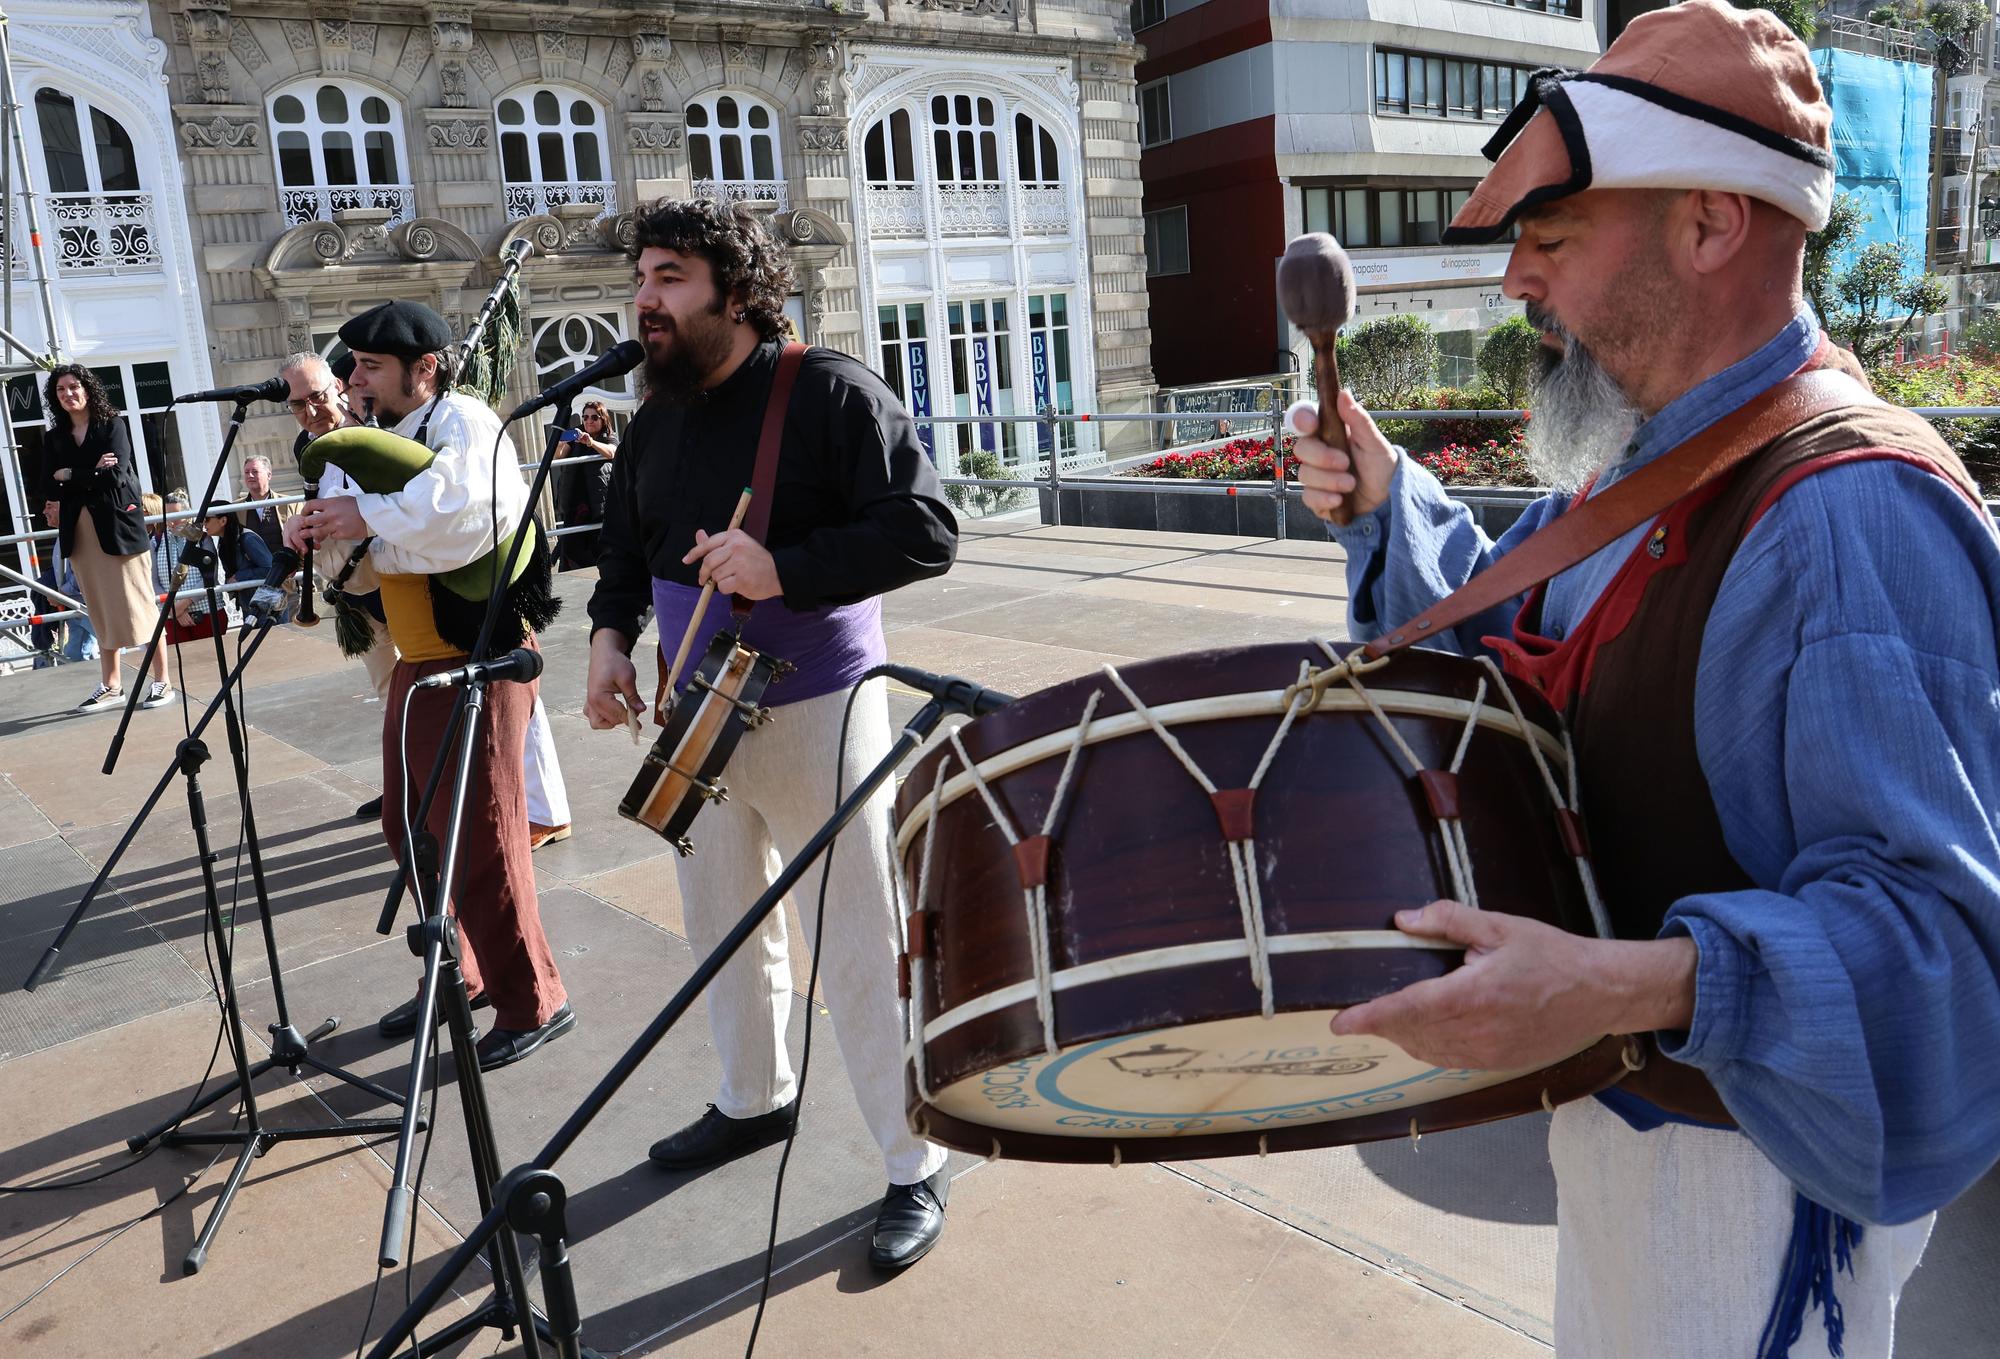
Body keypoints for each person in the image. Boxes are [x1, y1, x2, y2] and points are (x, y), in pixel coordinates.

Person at [1290, 6, 2000, 1357]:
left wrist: (1625, 987)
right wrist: (1393, 506)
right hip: (1628, 1124)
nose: (1514, 279)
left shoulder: (1848, 523)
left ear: (1712, 224)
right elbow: (1515, 664)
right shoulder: (1644, 460)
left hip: (1766, 1185)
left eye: (1550, 237)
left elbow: (1945, 962)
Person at [583, 199, 959, 1270]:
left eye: (669, 279)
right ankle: (752, 1098)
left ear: (734, 295)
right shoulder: (652, 416)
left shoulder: (829, 389)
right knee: (719, 924)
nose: (645, 299)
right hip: (692, 711)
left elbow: (924, 528)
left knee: (854, 937)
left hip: (814, 705)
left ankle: (912, 1157)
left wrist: (783, 566)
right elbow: (622, 552)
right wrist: (610, 641)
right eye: (643, 278)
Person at [286, 301, 574, 1071]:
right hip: (417, 658)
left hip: (478, 653)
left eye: (371, 367)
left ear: (425, 369)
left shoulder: (466, 423)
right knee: (410, 827)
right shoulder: (369, 440)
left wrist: (361, 515)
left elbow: (467, 515)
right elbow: (358, 563)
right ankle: (463, 969)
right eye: (354, 367)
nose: (356, 381)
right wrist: (314, 530)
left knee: (482, 834)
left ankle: (534, 999)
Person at [283, 350, 393, 820]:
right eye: (296, 404)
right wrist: (297, 524)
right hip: (351, 592)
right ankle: (406, 786)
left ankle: (438, 787)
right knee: (389, 691)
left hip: (395, 582)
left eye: (316, 398)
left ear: (339, 387)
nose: (309, 413)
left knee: (423, 689)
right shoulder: (306, 448)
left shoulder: (375, 433)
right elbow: (319, 502)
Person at [38, 364, 172, 712]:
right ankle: (111, 685)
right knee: (97, 608)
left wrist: (72, 474)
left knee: (138, 604)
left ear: (87, 389)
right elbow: (50, 485)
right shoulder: (54, 438)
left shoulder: (112, 425)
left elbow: (114, 476)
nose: (68, 394)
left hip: (117, 530)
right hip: (80, 533)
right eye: (60, 390)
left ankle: (162, 681)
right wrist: (89, 472)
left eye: (73, 387)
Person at [146, 490, 217, 648]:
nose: (172, 522)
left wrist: (182, 605)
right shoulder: (156, 542)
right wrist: (173, 609)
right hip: (171, 616)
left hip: (205, 613)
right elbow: (154, 581)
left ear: (189, 515)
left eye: (177, 516)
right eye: (168, 516)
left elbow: (210, 576)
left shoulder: (203, 539)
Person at [31, 499, 97, 669]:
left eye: (49, 506)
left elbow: (84, 569)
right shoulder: (65, 534)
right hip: (76, 606)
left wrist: (62, 595)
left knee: (111, 646)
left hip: (88, 604)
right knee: (75, 654)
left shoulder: (77, 532)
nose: (44, 512)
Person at [554, 399, 618, 572]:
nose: (589, 421)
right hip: (575, 503)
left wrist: (591, 443)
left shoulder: (609, 437)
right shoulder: (576, 436)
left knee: (601, 549)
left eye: (594, 417)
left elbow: (612, 452)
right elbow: (558, 457)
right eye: (585, 417)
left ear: (603, 419)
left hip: (599, 506)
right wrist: (559, 442)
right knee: (572, 549)